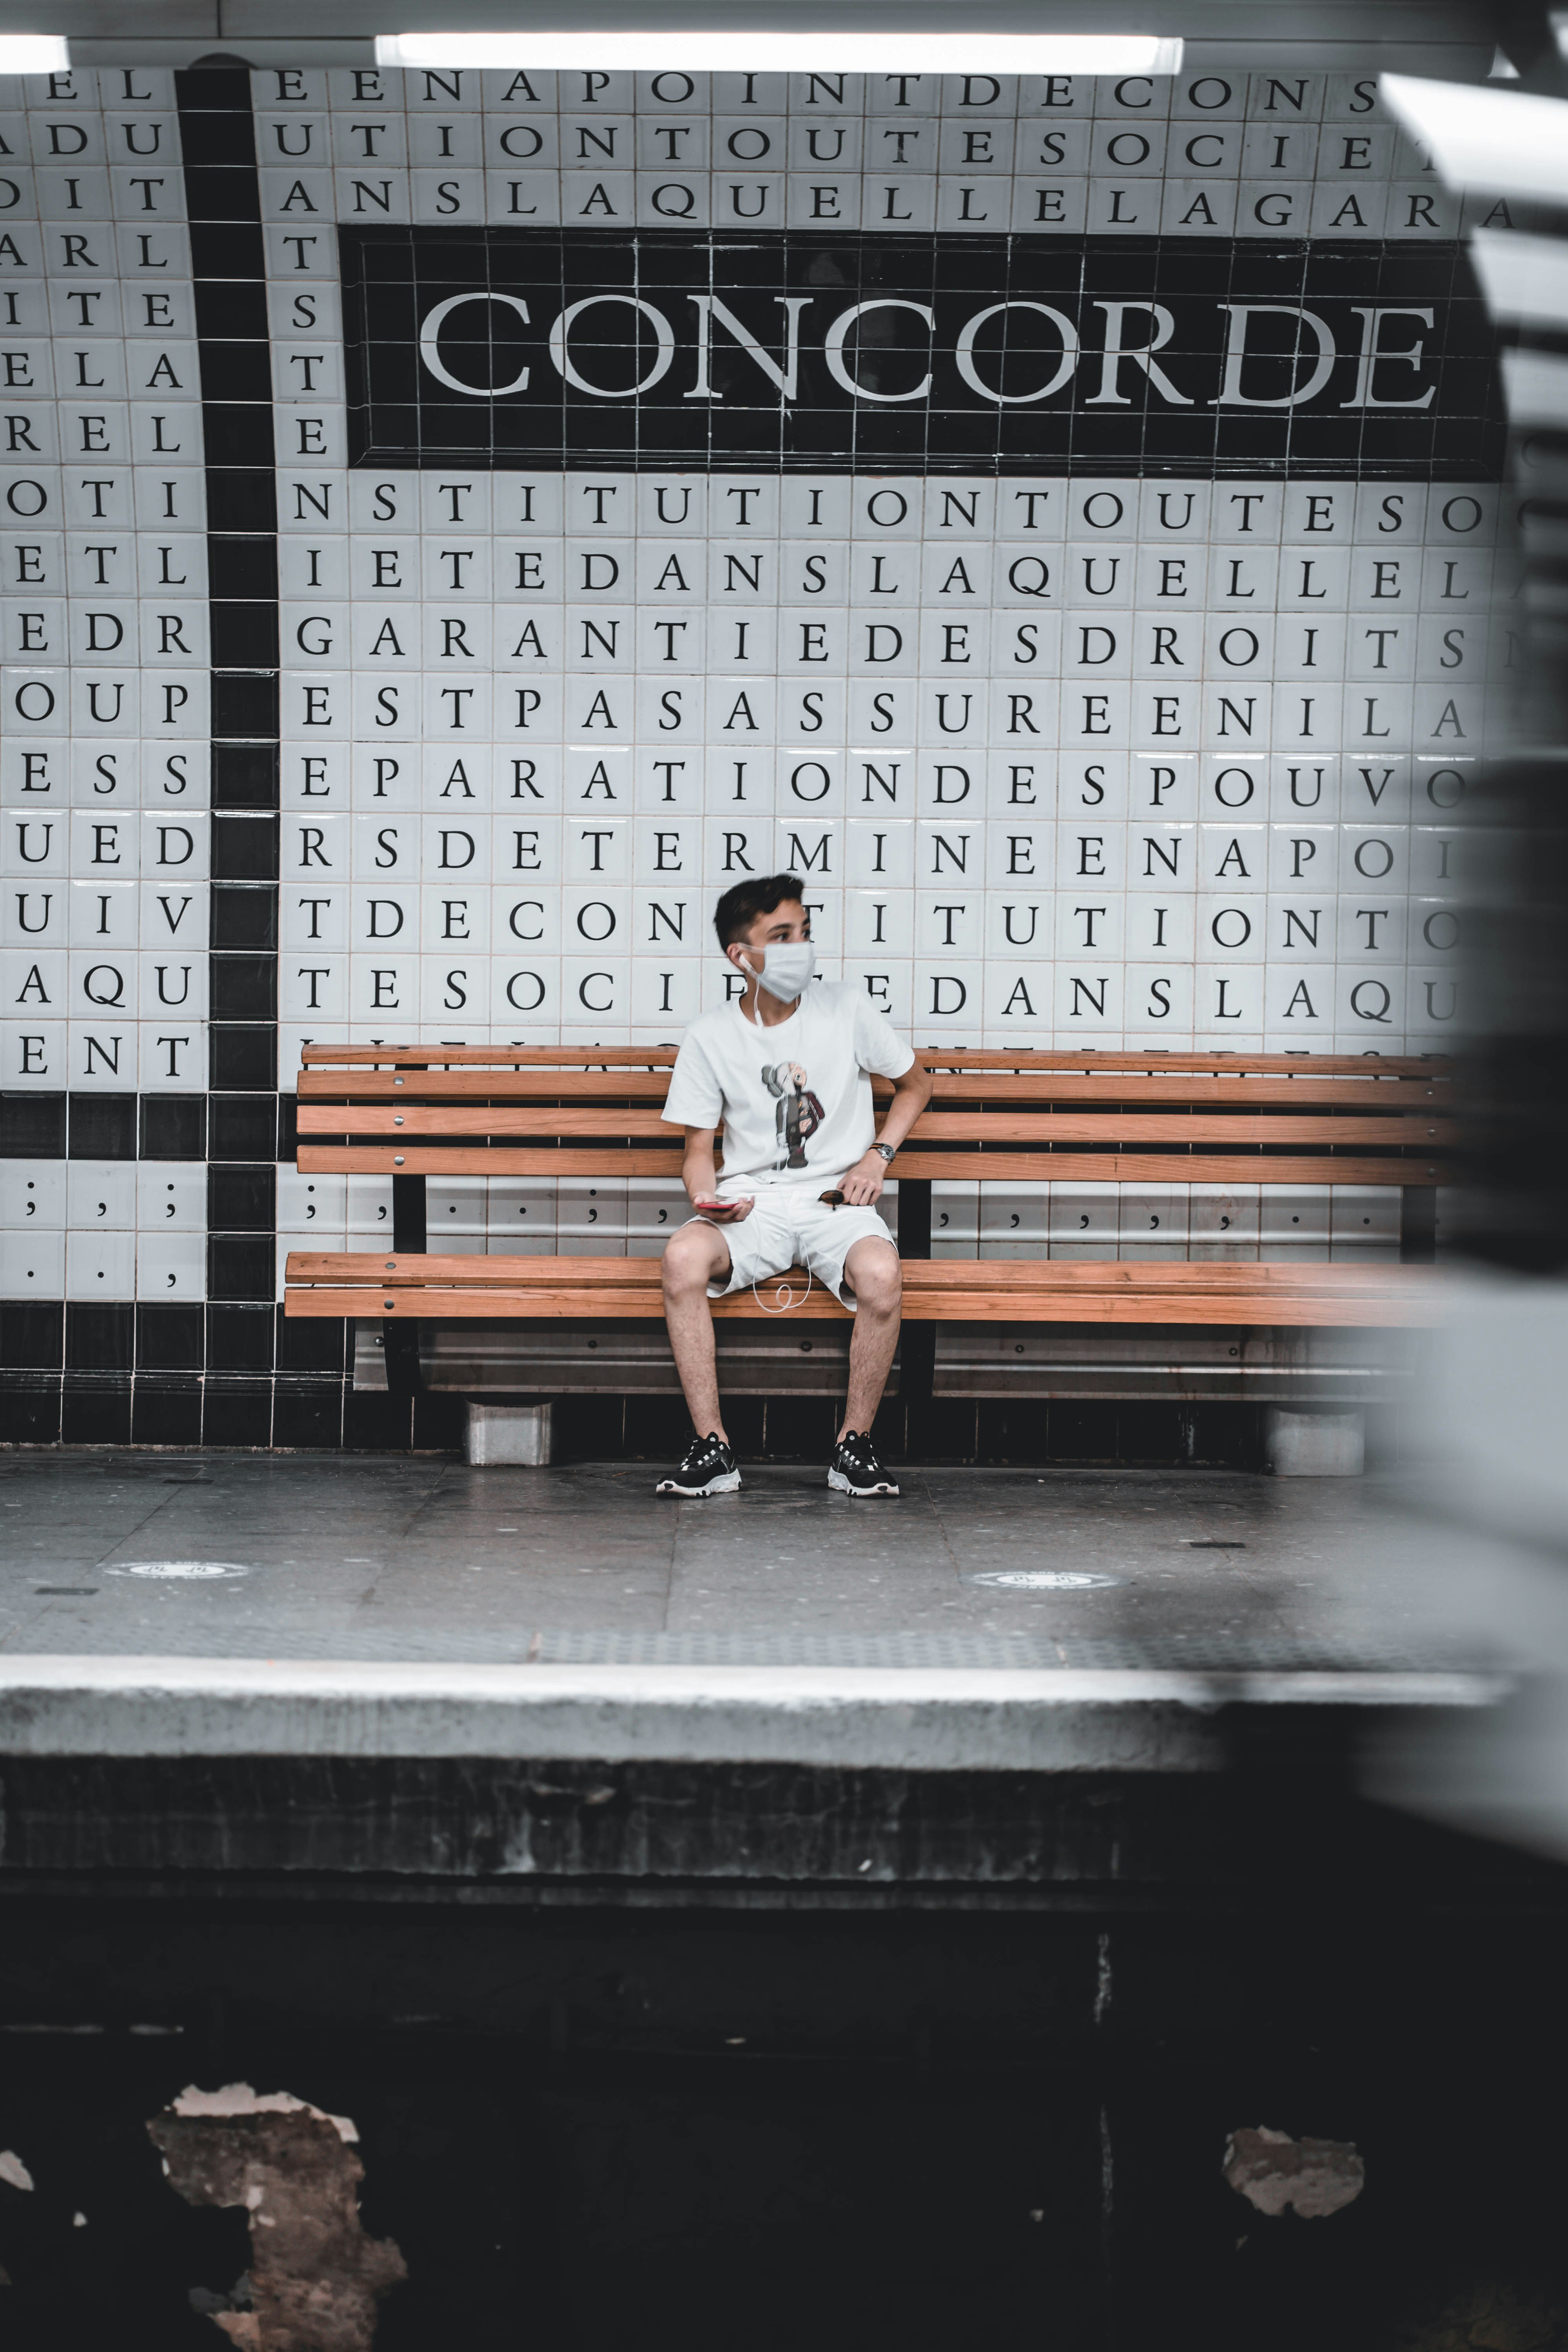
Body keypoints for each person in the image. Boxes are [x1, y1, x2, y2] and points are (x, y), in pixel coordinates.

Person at [655, 875, 933, 1499]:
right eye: (780, 936)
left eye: (804, 932)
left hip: (837, 1201)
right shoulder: (710, 1036)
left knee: (884, 1275)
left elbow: (917, 1085)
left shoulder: (848, 1008)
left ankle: (853, 1446)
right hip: (755, 1205)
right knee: (681, 1258)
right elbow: (698, 1154)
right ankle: (713, 1448)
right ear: (740, 956)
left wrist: (877, 1156)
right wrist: (708, 1199)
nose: (799, 948)